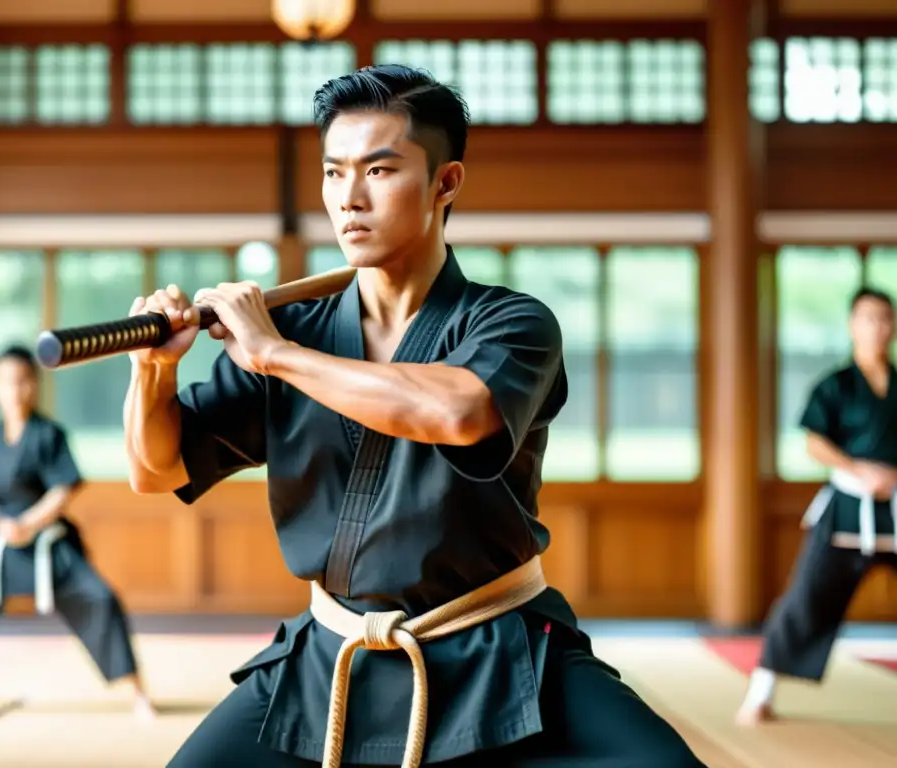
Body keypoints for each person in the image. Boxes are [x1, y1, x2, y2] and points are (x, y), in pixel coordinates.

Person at [125, 65, 702, 767]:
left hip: (497, 648)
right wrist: (152, 370)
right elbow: (158, 469)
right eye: (334, 174)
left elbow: (457, 412)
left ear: (445, 182)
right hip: (331, 658)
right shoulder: (295, 330)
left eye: (379, 170)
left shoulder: (510, 323)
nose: (350, 199)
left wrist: (275, 355)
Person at [0, 344, 155, 719]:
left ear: (34, 385)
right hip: (4, 547)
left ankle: (137, 690)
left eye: (23, 382)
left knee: (100, 599)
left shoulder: (49, 435)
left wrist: (28, 523)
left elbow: (62, 491)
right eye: (7, 382)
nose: (15, 391)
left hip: (49, 546)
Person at [736, 287, 897, 726]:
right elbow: (814, 442)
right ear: (852, 325)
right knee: (806, 595)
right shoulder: (837, 384)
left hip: (896, 504)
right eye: (868, 318)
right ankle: (761, 691)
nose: (878, 327)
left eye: (886, 318)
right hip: (848, 504)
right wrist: (859, 469)